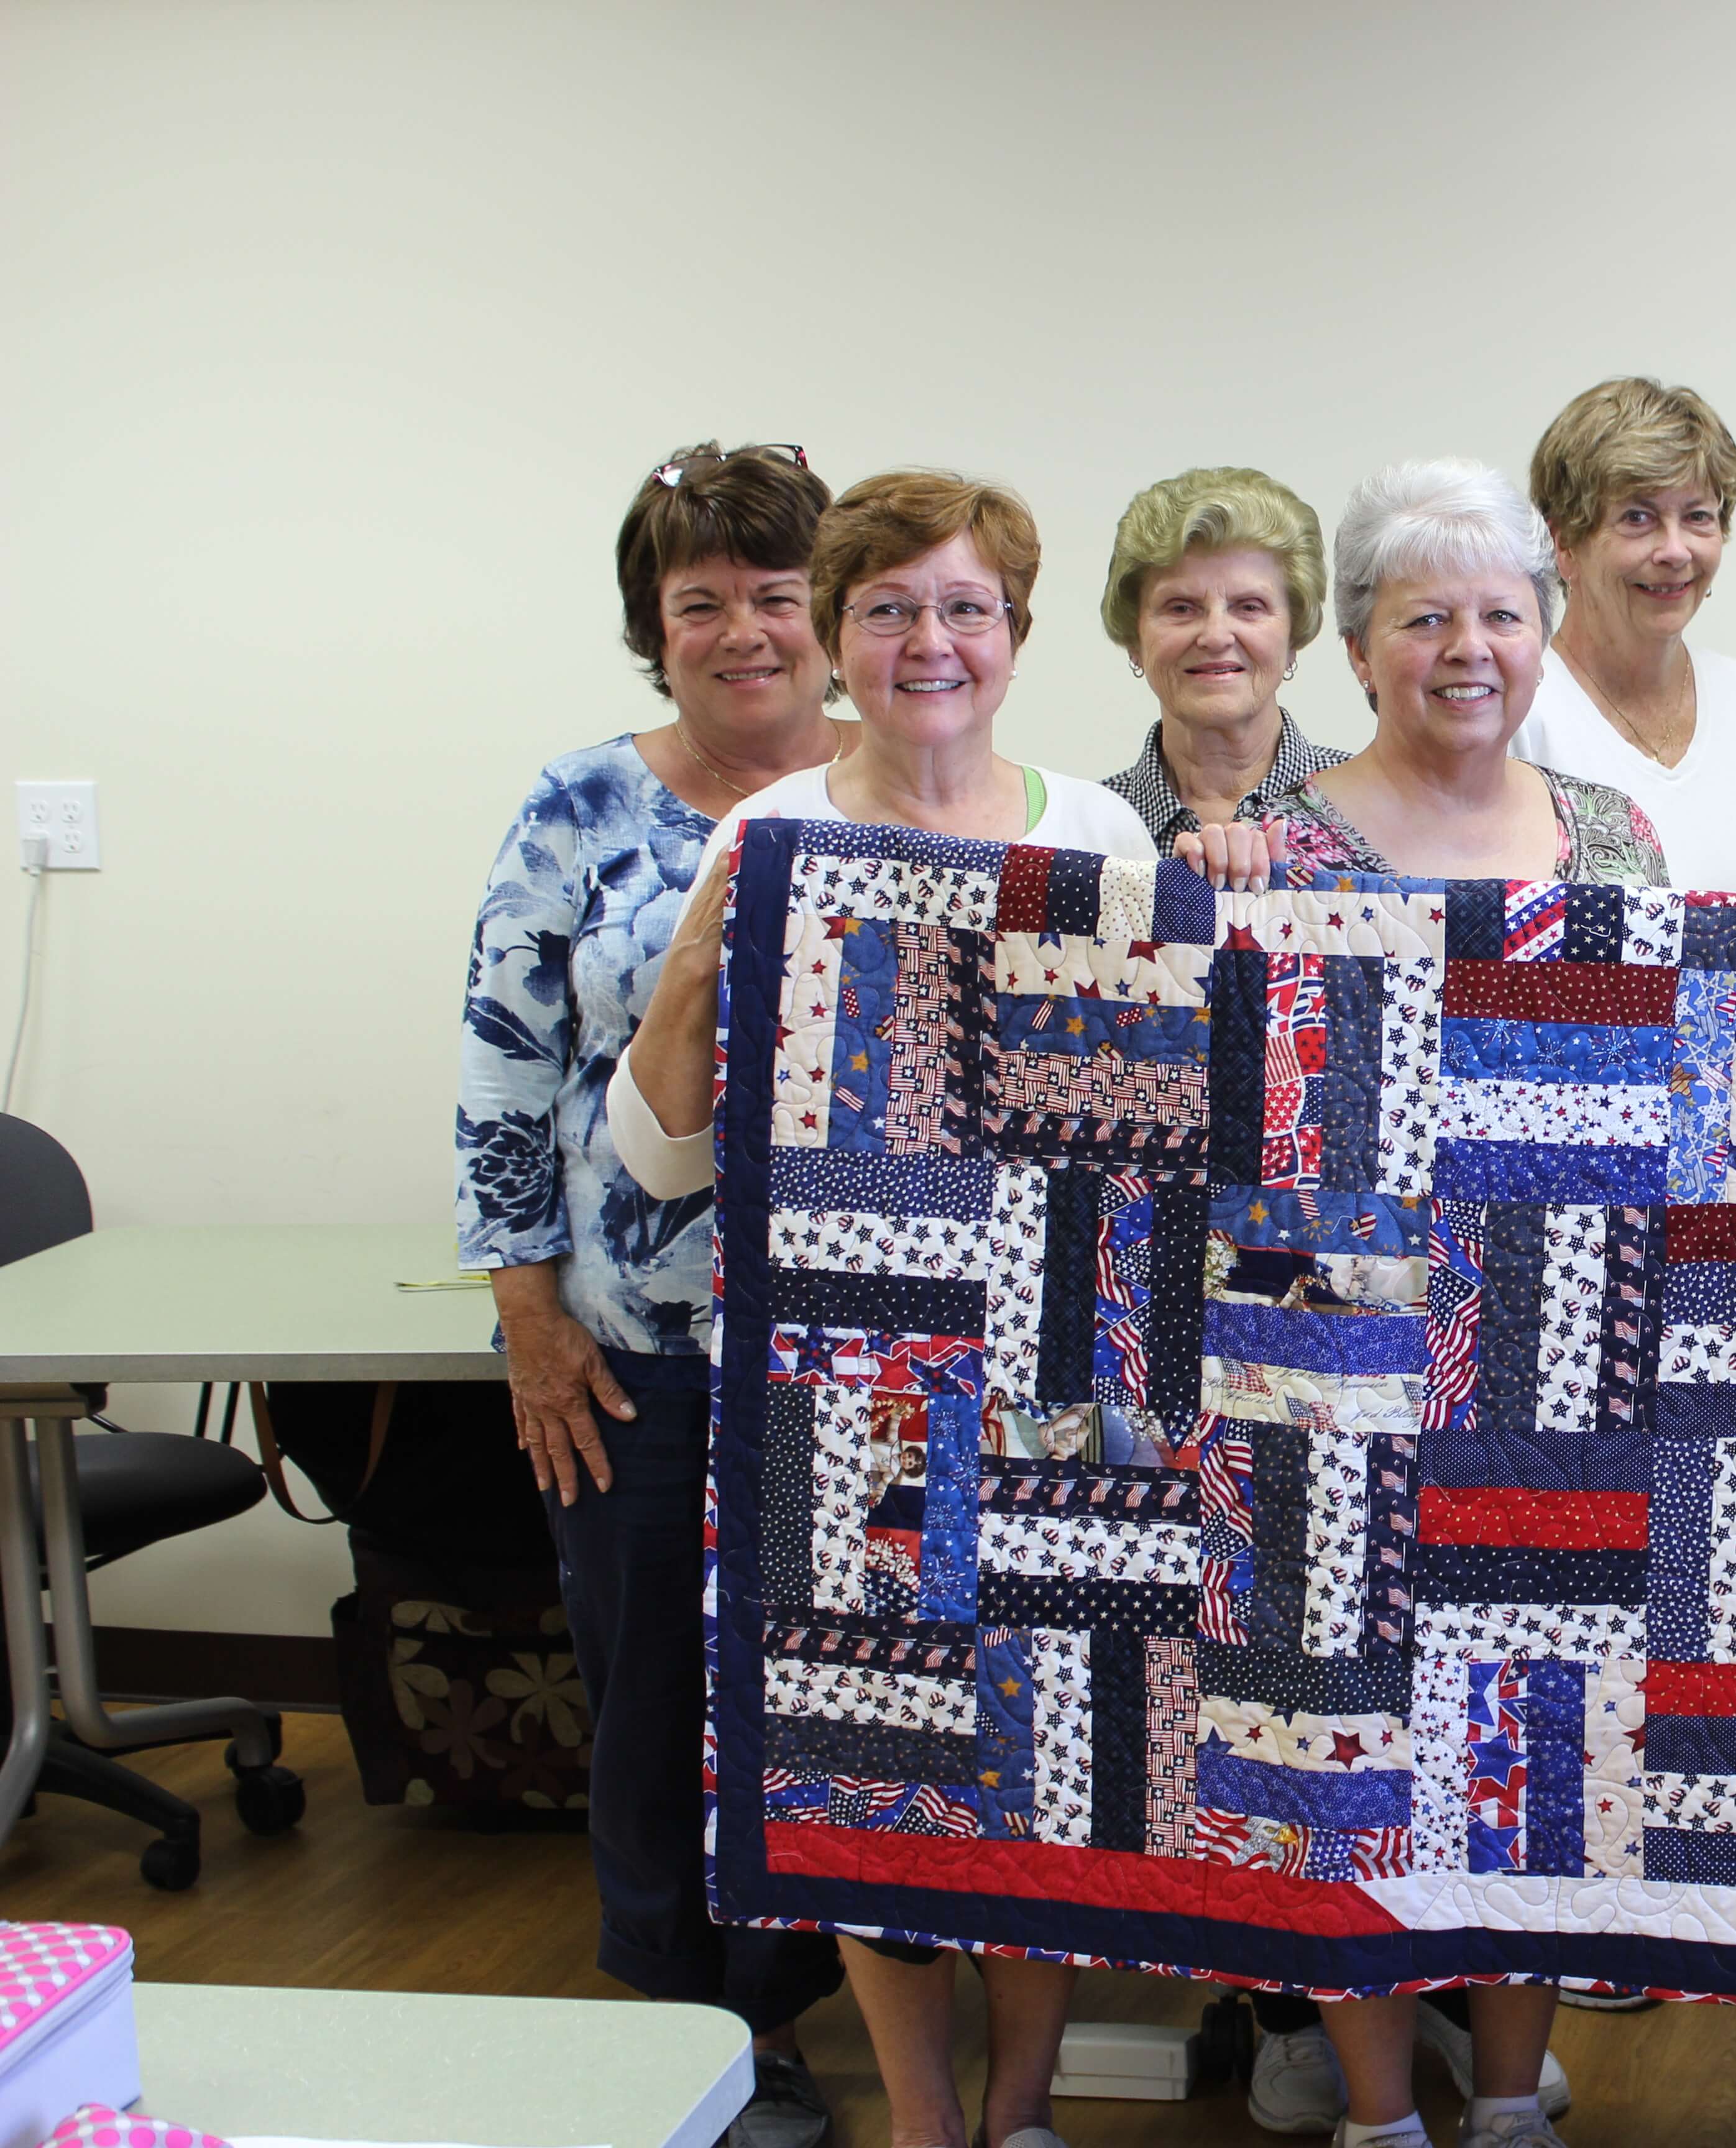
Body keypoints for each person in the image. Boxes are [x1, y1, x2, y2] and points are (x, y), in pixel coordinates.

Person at [610, 468, 1148, 2148]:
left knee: (1053, 1755)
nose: (932, 642)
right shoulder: (769, 842)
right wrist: (703, 958)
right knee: (874, 1762)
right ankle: (924, 2122)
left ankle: (1024, 2108)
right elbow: (659, 1154)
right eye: (891, 610)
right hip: (840, 1386)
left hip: (1066, 1375)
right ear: (840, 639)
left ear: (1017, 635)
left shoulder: (1094, 839)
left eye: (966, 609)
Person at [1184, 457, 1648, 2148]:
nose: (1467, 647)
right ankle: (1378, 2109)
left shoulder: (1610, 834)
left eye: (1501, 614)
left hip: (1550, 1346)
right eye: (1422, 616)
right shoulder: (1274, 847)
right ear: (1361, 649)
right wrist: (1202, 900)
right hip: (1322, 1358)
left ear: (1547, 635)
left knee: (1528, 1723)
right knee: (1341, 1740)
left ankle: (1509, 2099)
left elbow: (1670, 1087)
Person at [455, 439, 851, 2148]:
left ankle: (810, 2003)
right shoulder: (579, 807)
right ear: (656, 626)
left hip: (857, 1346)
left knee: (831, 1684)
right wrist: (527, 1314)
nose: (747, 631)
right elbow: (500, 1069)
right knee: (650, 1691)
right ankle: (691, 2032)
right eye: (705, 603)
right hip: (641, 1341)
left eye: (780, 595)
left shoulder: (894, 789)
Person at [1507, 377, 1736, 889]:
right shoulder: (1519, 712)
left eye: (1698, 517)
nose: (1675, 551)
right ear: (1563, 544)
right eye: (1638, 518)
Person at [1097, 464, 1354, 849]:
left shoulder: (1372, 808)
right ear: (1134, 637)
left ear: (1294, 635)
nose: (1215, 636)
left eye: (1249, 607)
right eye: (1181, 608)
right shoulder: (1084, 826)